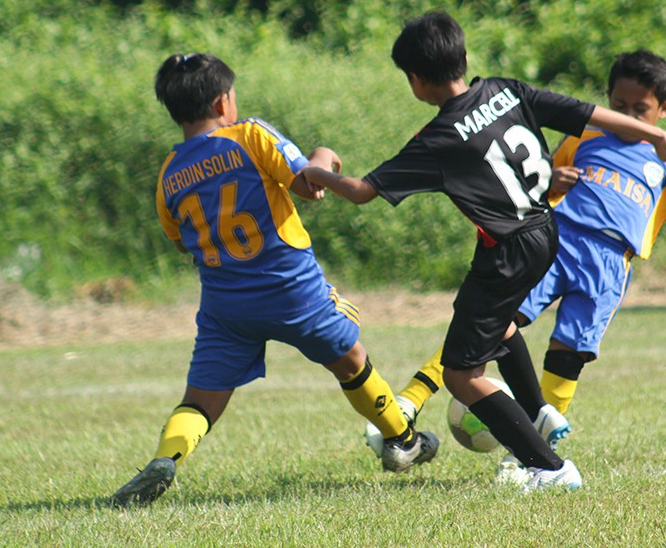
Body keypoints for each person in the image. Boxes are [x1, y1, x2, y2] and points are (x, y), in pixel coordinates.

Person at [302, 13, 666, 492]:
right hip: (545, 231)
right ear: (463, 58)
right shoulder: (507, 91)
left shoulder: (437, 139)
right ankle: (540, 410)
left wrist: (316, 167)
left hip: (506, 251)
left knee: (464, 376)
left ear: (416, 81)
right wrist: (659, 135)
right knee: (498, 323)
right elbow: (589, 113)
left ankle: (548, 468)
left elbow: (362, 190)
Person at [372, 49, 666, 482]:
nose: (627, 113)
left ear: (664, 109)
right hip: (557, 243)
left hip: (608, 267)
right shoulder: (585, 138)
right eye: (619, 105)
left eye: (640, 109)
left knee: (568, 354)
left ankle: (528, 454)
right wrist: (552, 181)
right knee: (491, 323)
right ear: (608, 97)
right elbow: (532, 179)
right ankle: (413, 398)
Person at [111, 52, 438, 508]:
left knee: (201, 401)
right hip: (293, 292)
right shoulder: (249, 134)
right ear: (224, 101)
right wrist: (325, 155)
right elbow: (309, 184)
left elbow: (182, 242)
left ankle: (167, 458)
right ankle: (404, 439)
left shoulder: (169, 174)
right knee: (351, 360)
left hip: (227, 308)